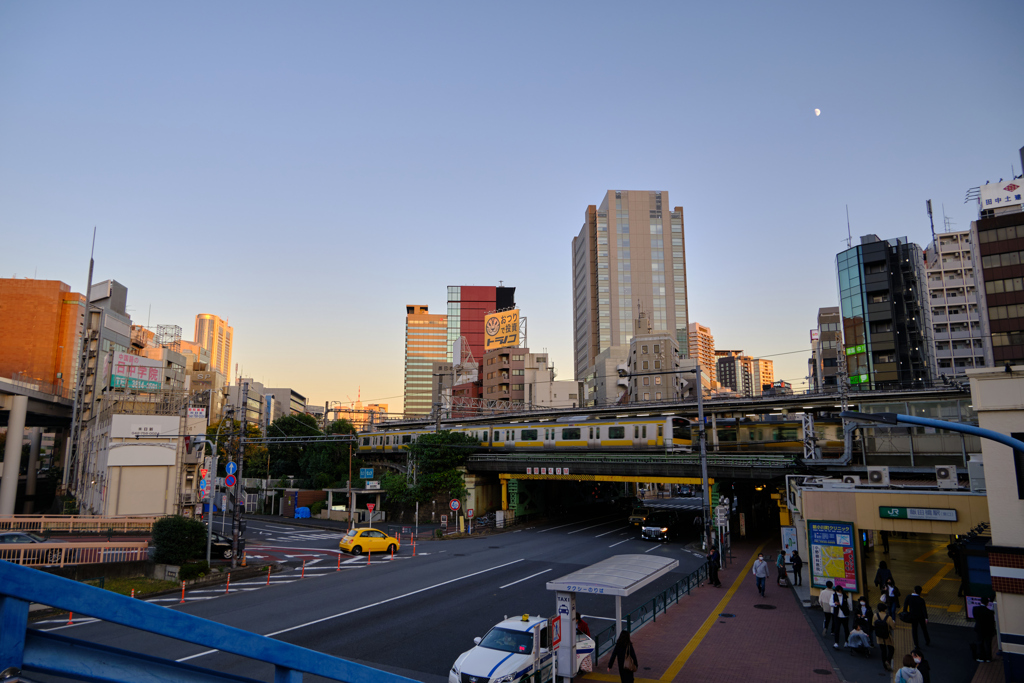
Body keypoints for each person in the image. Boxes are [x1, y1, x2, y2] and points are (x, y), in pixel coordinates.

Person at [874, 605, 897, 672]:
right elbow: (893, 627)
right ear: (885, 609)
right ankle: (888, 660)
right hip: (887, 636)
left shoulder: (875, 615)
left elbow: (873, 624)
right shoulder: (888, 617)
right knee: (891, 649)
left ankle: (884, 666)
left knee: (883, 651)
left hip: (879, 636)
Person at [973, 597, 996, 662]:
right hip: (988, 630)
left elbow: (975, 618)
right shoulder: (990, 612)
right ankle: (988, 658)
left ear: (981, 602)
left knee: (980, 643)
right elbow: (992, 622)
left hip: (979, 629)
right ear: (987, 603)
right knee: (988, 644)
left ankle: (981, 657)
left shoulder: (975, 609)